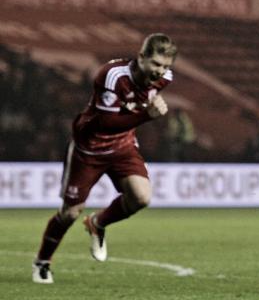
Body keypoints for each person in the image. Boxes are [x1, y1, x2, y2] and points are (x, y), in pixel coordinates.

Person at [32, 33, 178, 284]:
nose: (160, 71)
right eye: (155, 63)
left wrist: (142, 113)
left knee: (141, 197)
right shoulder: (113, 75)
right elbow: (106, 123)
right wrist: (146, 116)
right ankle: (42, 263)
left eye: (165, 66)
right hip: (89, 149)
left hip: (122, 146)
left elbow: (131, 114)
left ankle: (98, 223)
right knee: (69, 213)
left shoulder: (164, 79)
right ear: (141, 57)